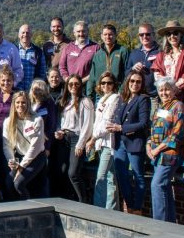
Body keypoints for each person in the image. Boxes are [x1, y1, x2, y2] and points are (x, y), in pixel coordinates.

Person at [147, 77, 184, 222]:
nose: (163, 93)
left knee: (157, 185)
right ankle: (170, 223)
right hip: (157, 155)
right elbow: (152, 131)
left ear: (174, 90)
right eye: (161, 90)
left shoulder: (178, 106)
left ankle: (159, 224)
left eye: (167, 89)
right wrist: (148, 146)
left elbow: (176, 135)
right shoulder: (160, 108)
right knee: (164, 187)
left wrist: (157, 149)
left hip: (170, 155)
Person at [110, 70, 150, 215]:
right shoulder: (123, 99)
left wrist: (121, 128)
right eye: (132, 81)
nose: (135, 84)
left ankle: (137, 208)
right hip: (120, 143)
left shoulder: (143, 99)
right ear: (128, 82)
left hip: (134, 144)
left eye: (138, 82)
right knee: (122, 176)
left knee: (138, 175)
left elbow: (144, 123)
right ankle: (130, 206)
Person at [55, 74, 94, 203]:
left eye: (76, 84)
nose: (73, 86)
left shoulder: (85, 102)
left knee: (73, 173)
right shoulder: (64, 101)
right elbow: (61, 121)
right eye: (71, 84)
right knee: (62, 171)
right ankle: (68, 200)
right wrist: (59, 131)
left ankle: (83, 201)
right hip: (64, 138)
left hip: (76, 139)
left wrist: (81, 144)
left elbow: (88, 124)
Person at [86, 72, 122, 209]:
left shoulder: (115, 98)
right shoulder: (101, 99)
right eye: (103, 83)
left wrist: (93, 138)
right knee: (110, 177)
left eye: (109, 83)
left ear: (114, 85)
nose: (106, 85)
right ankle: (113, 209)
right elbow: (97, 123)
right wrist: (94, 139)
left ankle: (99, 209)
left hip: (109, 143)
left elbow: (107, 122)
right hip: (101, 143)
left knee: (101, 176)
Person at [2, 91, 47, 200]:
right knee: (9, 183)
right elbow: (6, 144)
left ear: (28, 104)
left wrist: (21, 167)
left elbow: (35, 147)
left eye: (23, 102)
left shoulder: (37, 120)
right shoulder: (8, 121)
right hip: (20, 157)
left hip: (36, 157)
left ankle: (28, 210)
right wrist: (12, 161)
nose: (20, 105)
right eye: (17, 102)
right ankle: (15, 208)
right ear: (14, 104)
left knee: (19, 184)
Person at [152, 20, 184, 103]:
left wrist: (174, 89)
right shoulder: (161, 55)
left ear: (181, 34)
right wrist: (166, 89)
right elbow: (157, 73)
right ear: (166, 37)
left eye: (175, 33)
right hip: (166, 98)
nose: (172, 36)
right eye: (168, 34)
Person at [86, 24, 129, 103]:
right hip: (100, 95)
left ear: (115, 35)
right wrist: (89, 95)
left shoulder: (122, 51)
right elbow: (92, 77)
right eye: (105, 34)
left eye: (110, 34)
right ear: (102, 36)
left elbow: (127, 73)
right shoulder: (97, 54)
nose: (108, 37)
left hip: (116, 94)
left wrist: (121, 91)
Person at [30, 79, 58, 199]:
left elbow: (51, 126)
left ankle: (44, 199)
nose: (37, 91)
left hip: (43, 144)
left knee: (42, 173)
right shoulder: (29, 103)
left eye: (40, 88)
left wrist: (48, 147)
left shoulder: (49, 103)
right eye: (35, 88)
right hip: (29, 144)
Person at [126, 23, 160, 113]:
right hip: (137, 96)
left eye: (148, 34)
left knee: (153, 123)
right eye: (141, 34)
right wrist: (133, 69)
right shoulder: (134, 53)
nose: (144, 37)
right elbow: (126, 74)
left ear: (153, 35)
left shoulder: (161, 52)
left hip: (154, 97)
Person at [59, 20, 99, 85]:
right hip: (71, 86)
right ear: (74, 33)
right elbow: (62, 66)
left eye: (83, 31)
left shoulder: (96, 48)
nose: (81, 34)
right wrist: (68, 79)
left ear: (88, 31)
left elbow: (97, 69)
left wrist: (83, 80)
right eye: (78, 31)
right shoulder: (68, 48)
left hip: (88, 85)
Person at [16, 24, 46, 92]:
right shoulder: (13, 50)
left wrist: (38, 88)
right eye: (23, 32)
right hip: (16, 91)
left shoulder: (38, 52)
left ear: (31, 35)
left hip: (32, 92)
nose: (25, 35)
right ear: (18, 35)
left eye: (27, 32)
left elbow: (42, 73)